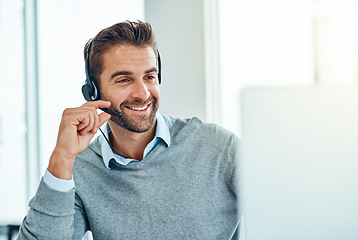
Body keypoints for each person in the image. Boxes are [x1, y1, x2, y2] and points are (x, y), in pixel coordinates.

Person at [17, 20, 241, 240]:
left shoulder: (220, 148)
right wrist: (62, 157)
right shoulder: (80, 170)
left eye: (149, 77)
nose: (142, 93)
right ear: (93, 92)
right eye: (124, 80)